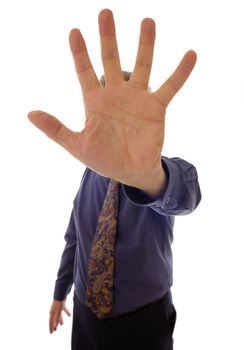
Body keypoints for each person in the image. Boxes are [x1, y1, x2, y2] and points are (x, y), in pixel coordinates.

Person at [28, 8, 201, 350]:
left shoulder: (157, 175)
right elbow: (74, 238)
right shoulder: (88, 176)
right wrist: (59, 293)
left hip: (143, 323)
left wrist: (152, 178)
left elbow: (185, 196)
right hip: (86, 317)